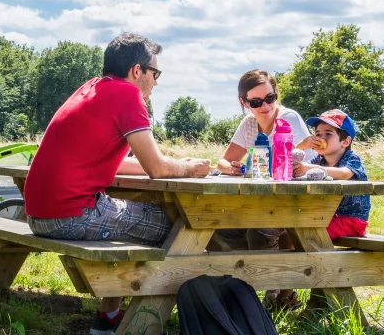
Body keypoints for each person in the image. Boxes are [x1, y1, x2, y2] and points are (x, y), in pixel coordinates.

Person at [23, 32, 211, 335]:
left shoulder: (91, 89)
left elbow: (112, 163)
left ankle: (108, 316)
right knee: (179, 227)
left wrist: (177, 167)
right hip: (70, 215)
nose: (156, 81)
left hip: (39, 213)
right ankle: (147, 321)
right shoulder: (127, 94)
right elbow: (158, 169)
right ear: (137, 70)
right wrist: (189, 167)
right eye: (155, 73)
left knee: (150, 218)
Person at [214, 69, 315, 311]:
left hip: (299, 201)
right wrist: (231, 169)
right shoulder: (249, 124)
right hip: (262, 201)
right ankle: (244, 290)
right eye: (256, 102)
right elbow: (223, 161)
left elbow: (300, 165)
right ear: (244, 102)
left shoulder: (288, 120)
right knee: (218, 227)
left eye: (270, 98)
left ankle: (275, 293)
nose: (265, 106)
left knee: (259, 231)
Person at [295, 109, 371, 239]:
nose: (320, 138)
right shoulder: (319, 160)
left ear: (345, 142)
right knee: (290, 231)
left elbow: (343, 173)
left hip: (352, 220)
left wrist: (309, 168)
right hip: (325, 216)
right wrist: (301, 146)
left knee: (301, 235)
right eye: (317, 134)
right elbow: (292, 165)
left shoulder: (352, 158)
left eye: (328, 134)